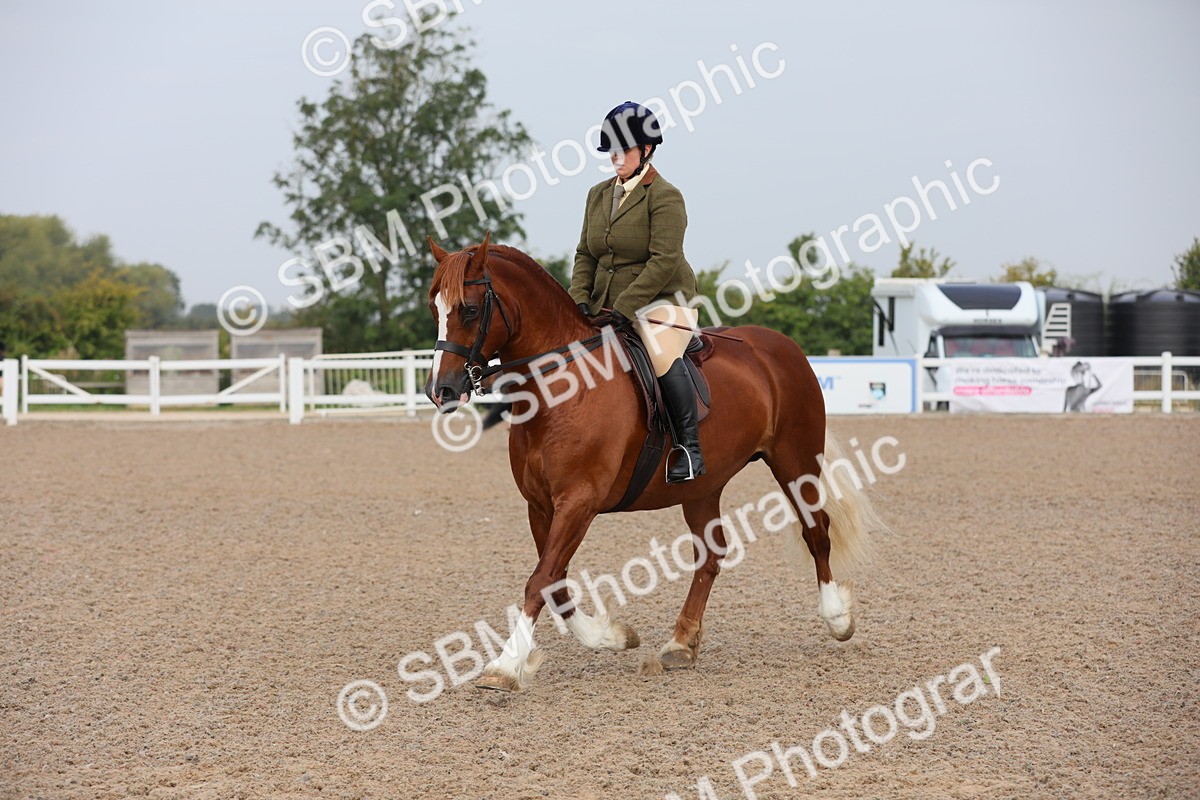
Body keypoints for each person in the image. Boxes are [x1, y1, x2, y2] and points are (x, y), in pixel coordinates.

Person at [569, 101, 704, 483]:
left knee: (659, 352)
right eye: (610, 149)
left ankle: (689, 449)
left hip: (665, 301)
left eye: (623, 149)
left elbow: (664, 261)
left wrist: (624, 308)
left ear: (646, 150)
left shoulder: (665, 196)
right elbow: (585, 253)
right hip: (606, 303)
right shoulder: (597, 195)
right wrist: (578, 297)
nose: (614, 157)